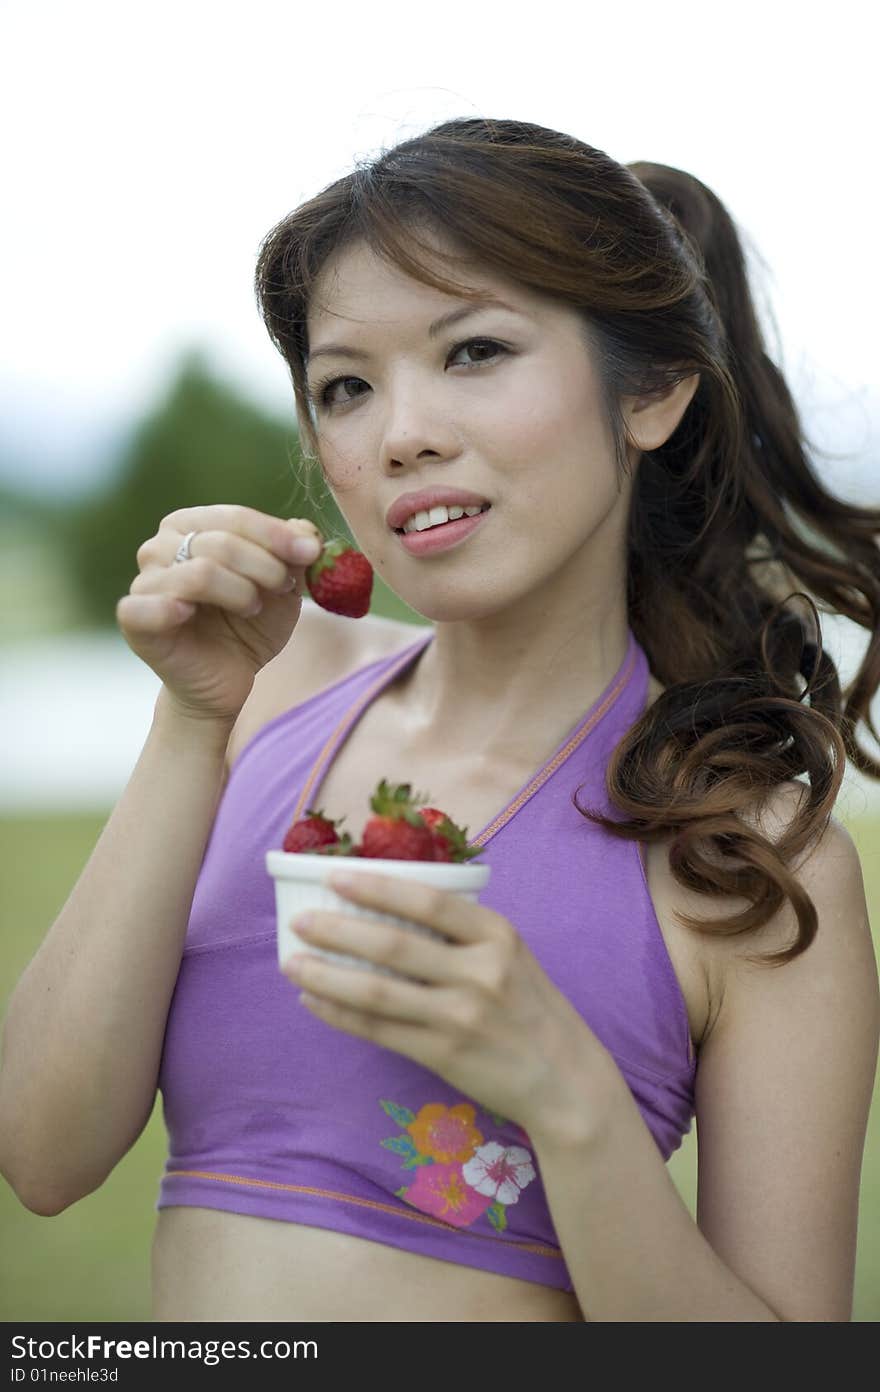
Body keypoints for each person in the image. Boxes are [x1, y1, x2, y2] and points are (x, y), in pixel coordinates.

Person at [1, 117, 879, 1324]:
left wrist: (563, 1092)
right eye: (346, 386)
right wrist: (188, 721)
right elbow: (44, 1157)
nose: (401, 432)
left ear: (654, 391)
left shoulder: (747, 857)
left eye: (474, 351)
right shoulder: (266, 697)